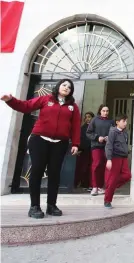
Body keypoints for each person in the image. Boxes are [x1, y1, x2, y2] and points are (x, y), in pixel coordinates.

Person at [1, 78, 81, 219]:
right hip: (39, 140)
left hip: (60, 143)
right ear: (58, 86)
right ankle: (34, 206)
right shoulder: (45, 99)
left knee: (54, 174)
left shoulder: (73, 107)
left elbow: (75, 126)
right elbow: (25, 106)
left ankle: (51, 205)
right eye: (64, 85)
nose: (66, 88)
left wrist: (75, 143)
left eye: (69, 87)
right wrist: (10, 100)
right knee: (37, 171)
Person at [104, 114, 132, 209]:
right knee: (112, 180)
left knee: (127, 175)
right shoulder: (113, 132)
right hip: (115, 158)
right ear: (117, 122)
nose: (125, 123)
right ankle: (107, 200)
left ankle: (110, 187)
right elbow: (109, 146)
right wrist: (109, 159)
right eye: (123, 121)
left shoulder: (125, 133)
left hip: (123, 158)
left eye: (126, 121)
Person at [86, 104, 114, 196]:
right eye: (104, 111)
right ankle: (94, 187)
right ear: (100, 111)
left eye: (107, 111)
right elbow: (89, 133)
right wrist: (97, 137)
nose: (105, 113)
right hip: (96, 145)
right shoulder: (94, 120)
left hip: (107, 147)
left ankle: (100, 187)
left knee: (104, 166)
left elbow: (114, 133)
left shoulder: (111, 122)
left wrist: (108, 137)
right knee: (96, 164)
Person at [74, 111, 95, 191]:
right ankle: (83, 184)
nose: (87, 119)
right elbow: (81, 140)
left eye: (89, 117)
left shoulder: (95, 128)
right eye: (86, 117)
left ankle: (90, 184)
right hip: (84, 151)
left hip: (92, 150)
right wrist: (79, 149)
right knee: (83, 168)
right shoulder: (82, 128)